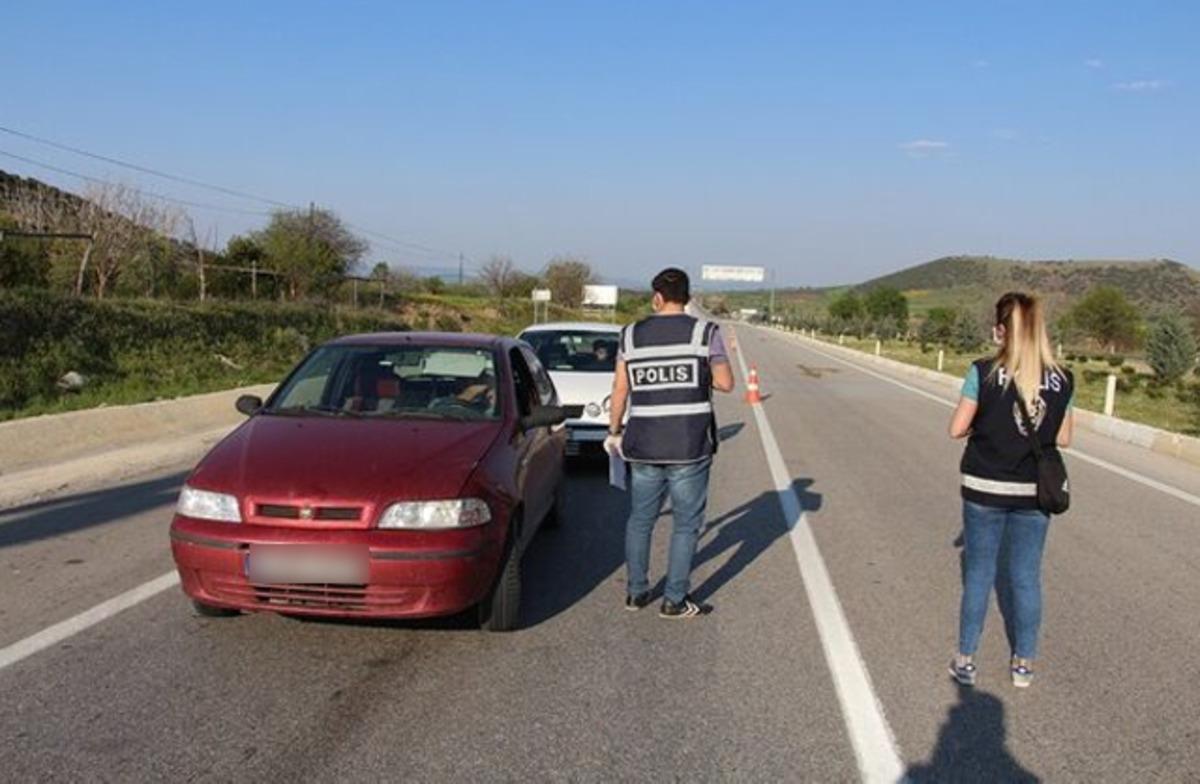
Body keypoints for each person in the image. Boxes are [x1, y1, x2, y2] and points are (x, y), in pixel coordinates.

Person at [947, 292, 1074, 688]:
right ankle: (1023, 664)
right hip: (1035, 493)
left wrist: (984, 425)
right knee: (1026, 577)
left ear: (1001, 331)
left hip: (985, 487)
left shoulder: (982, 371)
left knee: (980, 574)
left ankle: (966, 659)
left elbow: (956, 429)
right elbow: (1064, 438)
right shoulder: (1063, 378)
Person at [605, 268, 735, 619]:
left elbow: (620, 389)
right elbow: (726, 383)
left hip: (643, 444)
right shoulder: (706, 332)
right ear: (688, 299)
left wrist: (613, 431)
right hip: (689, 445)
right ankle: (674, 600)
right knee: (686, 524)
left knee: (641, 519)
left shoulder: (630, 335)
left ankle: (635, 592)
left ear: (657, 297)